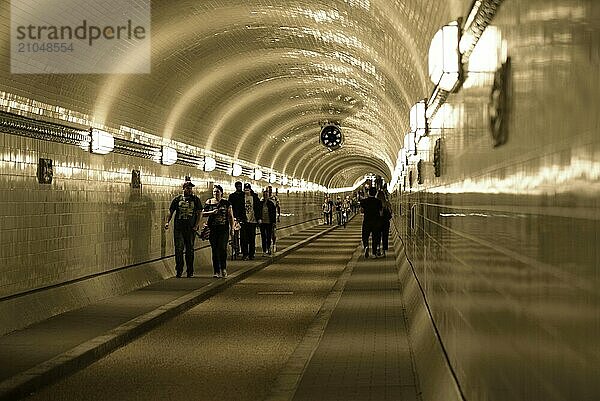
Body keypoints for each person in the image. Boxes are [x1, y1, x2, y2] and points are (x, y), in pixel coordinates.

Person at [164, 181, 202, 277]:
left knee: (190, 249)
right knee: (179, 249)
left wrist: (196, 225)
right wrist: (167, 222)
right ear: (184, 189)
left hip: (191, 229)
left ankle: (190, 271)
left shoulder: (195, 199)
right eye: (188, 188)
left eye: (191, 188)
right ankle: (179, 270)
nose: (190, 190)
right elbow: (171, 211)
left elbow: (199, 213)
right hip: (179, 228)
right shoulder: (177, 199)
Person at [202, 184, 235, 278]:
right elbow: (203, 213)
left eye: (217, 192)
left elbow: (230, 216)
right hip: (213, 229)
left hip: (223, 229)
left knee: (222, 248)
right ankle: (216, 271)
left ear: (221, 193)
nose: (215, 193)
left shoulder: (226, 203)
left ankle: (223, 268)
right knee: (214, 250)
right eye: (214, 192)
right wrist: (211, 212)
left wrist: (232, 228)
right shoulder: (209, 202)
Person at [240, 183, 262, 260]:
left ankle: (251, 254)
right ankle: (245, 254)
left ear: (250, 190)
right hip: (244, 221)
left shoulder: (255, 198)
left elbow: (258, 209)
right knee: (243, 239)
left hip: (253, 221)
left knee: (251, 239)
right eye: (245, 189)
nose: (246, 191)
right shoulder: (241, 198)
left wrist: (259, 218)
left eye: (247, 189)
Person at [359, 186, 382, 258]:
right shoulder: (378, 201)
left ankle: (366, 246)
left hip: (367, 221)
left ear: (369, 193)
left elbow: (362, 211)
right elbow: (381, 213)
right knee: (375, 237)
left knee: (365, 236)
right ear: (375, 193)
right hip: (376, 222)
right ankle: (374, 253)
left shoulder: (364, 201)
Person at [227, 181, 244, 258]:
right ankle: (236, 249)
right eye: (238, 186)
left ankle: (240, 249)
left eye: (240, 186)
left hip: (242, 218)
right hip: (235, 218)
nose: (239, 187)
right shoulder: (233, 196)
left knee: (242, 235)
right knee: (235, 234)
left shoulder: (244, 195)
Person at [259, 188, 277, 256]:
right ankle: (264, 250)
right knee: (263, 236)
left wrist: (274, 222)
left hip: (269, 222)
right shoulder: (260, 203)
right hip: (262, 222)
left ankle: (268, 248)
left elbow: (273, 213)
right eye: (264, 194)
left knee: (269, 236)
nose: (265, 195)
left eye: (266, 194)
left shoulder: (271, 203)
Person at [376, 190, 393, 257]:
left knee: (377, 236)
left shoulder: (376, 203)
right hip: (386, 222)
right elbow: (391, 212)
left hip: (377, 222)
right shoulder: (387, 203)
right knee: (385, 237)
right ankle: (384, 252)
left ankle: (378, 250)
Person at [267, 186, 280, 251]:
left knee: (273, 232)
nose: (269, 191)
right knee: (267, 232)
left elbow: (278, 207)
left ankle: (274, 243)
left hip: (273, 217)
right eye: (268, 190)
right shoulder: (264, 198)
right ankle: (268, 246)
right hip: (266, 218)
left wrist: (278, 216)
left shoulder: (275, 198)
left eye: (270, 190)